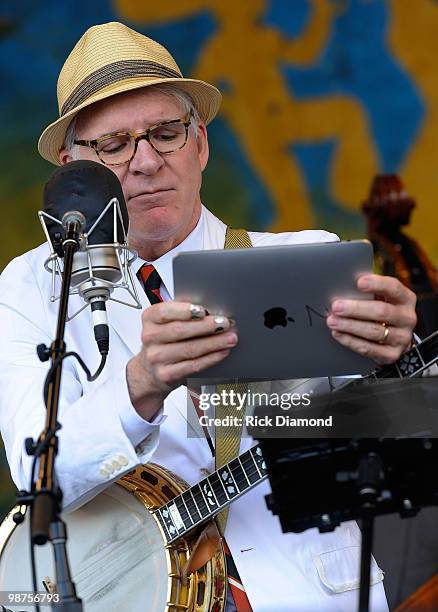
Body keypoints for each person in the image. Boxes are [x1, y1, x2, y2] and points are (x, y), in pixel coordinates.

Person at [0, 22, 417, 611]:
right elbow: (36, 473)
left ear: (200, 143)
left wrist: (397, 359)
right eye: (114, 145)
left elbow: (390, 440)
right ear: (72, 171)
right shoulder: (27, 287)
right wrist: (140, 385)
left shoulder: (305, 259)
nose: (145, 162)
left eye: (166, 133)